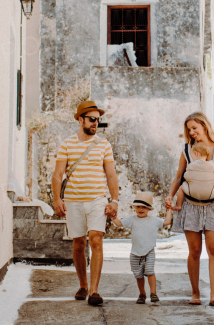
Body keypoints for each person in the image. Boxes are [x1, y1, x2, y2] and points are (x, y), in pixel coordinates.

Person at [164, 112, 214, 306]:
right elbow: (178, 176)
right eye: (189, 129)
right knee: (195, 250)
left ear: (204, 126)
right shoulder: (187, 150)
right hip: (190, 205)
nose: (192, 132)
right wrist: (170, 196)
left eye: (194, 128)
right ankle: (195, 293)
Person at [51, 100, 118, 306]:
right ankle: (83, 285)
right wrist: (56, 199)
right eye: (91, 119)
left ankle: (95, 291)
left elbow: (111, 175)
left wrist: (114, 200)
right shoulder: (67, 144)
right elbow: (58, 174)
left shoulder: (104, 145)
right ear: (80, 119)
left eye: (98, 120)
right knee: (79, 244)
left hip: (97, 199)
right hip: (73, 201)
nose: (95, 123)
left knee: (96, 240)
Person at [169, 142, 214, 221]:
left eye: (192, 155)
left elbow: (186, 176)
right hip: (210, 195)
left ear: (196, 153)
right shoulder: (212, 166)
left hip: (193, 193)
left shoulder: (191, 165)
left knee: (181, 188)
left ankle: (178, 205)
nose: (192, 157)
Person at [125, 191, 163, 304]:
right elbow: (119, 223)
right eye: (138, 206)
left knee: (150, 271)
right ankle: (142, 293)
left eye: (144, 207)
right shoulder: (132, 219)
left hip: (149, 250)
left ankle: (153, 293)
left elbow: (165, 222)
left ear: (149, 209)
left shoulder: (154, 220)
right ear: (135, 207)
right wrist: (112, 216)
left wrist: (170, 210)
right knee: (138, 275)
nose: (141, 209)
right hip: (135, 252)